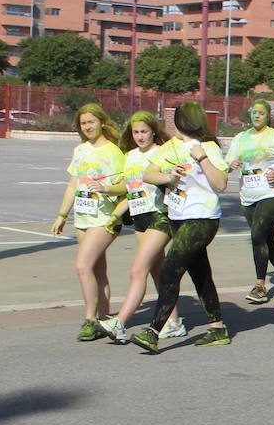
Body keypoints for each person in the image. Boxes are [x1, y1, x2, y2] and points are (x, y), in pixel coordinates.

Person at [128, 102, 232, 352]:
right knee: (200, 274)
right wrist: (169, 176)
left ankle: (154, 331)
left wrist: (203, 158)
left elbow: (221, 183)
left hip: (202, 218)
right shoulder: (171, 147)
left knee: (170, 270)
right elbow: (148, 174)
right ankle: (218, 328)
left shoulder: (207, 147)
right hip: (178, 216)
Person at [97, 110, 184, 344]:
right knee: (157, 272)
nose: (140, 136)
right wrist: (106, 190)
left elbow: (174, 179)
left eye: (144, 131)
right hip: (139, 218)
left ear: (153, 130)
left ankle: (120, 323)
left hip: (159, 216)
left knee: (137, 270)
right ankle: (173, 321)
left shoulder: (161, 153)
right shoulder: (130, 156)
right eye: (135, 132)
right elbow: (127, 188)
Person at [51, 104, 128, 341]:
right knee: (97, 270)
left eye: (91, 122)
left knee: (82, 266)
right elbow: (73, 184)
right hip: (83, 219)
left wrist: (105, 188)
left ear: (102, 122)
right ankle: (105, 318)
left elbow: (124, 186)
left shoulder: (113, 152)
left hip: (104, 219)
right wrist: (62, 214)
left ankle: (90, 319)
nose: (88, 127)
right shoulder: (80, 150)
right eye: (83, 123)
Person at [228, 99, 274, 305]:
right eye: (254, 112)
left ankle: (260, 285)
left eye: (261, 113)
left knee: (257, 235)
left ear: (268, 116)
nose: (257, 116)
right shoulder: (240, 138)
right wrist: (232, 164)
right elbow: (227, 164)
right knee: (265, 238)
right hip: (248, 195)